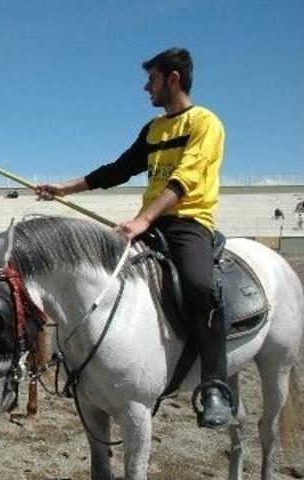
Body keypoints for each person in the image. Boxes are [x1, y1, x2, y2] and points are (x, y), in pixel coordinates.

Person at [36, 48, 230, 428]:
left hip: (189, 223)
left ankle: (215, 385)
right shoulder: (154, 129)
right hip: (151, 223)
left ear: (174, 78)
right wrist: (65, 189)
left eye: (152, 79)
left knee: (200, 286)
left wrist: (142, 219)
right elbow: (119, 169)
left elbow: (185, 179)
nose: (146, 87)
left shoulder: (206, 123)